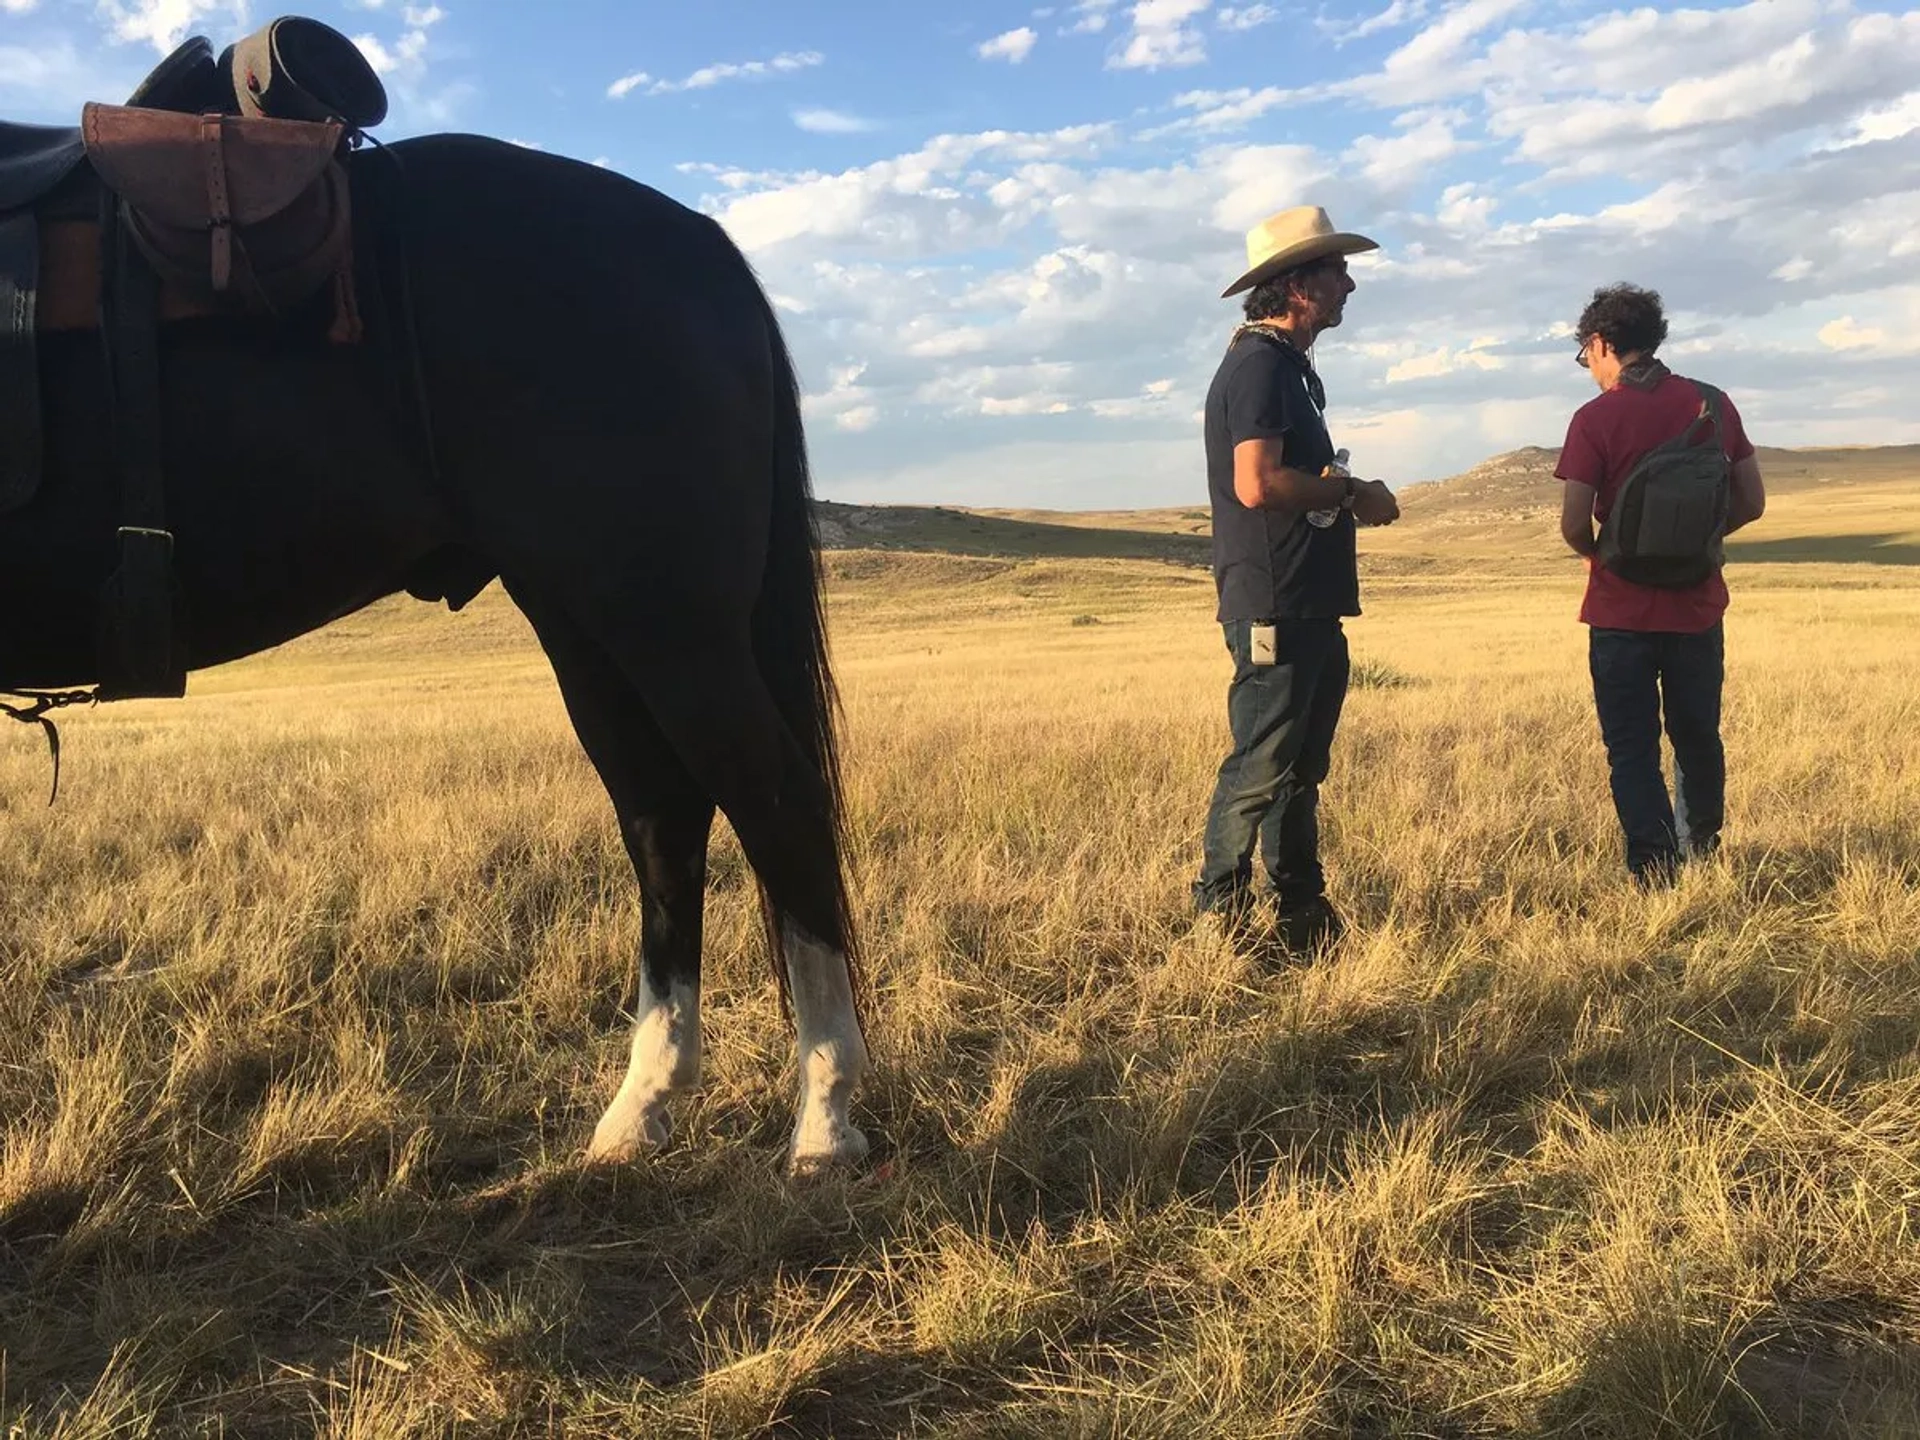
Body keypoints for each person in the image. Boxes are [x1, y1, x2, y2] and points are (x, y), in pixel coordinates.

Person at [1192, 205, 1399, 956]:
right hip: (1275, 598)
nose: (1349, 285)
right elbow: (1257, 483)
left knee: (1297, 769)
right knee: (1262, 762)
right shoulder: (1259, 366)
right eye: (1336, 271)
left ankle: (1302, 917)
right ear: (1295, 285)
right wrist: (1350, 493)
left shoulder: (1287, 369)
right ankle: (1218, 916)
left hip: (1304, 599)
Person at [1555, 283, 1767, 886]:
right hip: (1698, 606)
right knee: (1698, 734)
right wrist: (1698, 540)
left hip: (1620, 613)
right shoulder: (1714, 405)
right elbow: (1751, 501)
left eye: (1585, 356)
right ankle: (1700, 846)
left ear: (1601, 344)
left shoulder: (1595, 418)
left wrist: (1610, 554)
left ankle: (1653, 871)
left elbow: (1573, 523)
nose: (1588, 369)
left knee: (1631, 747)